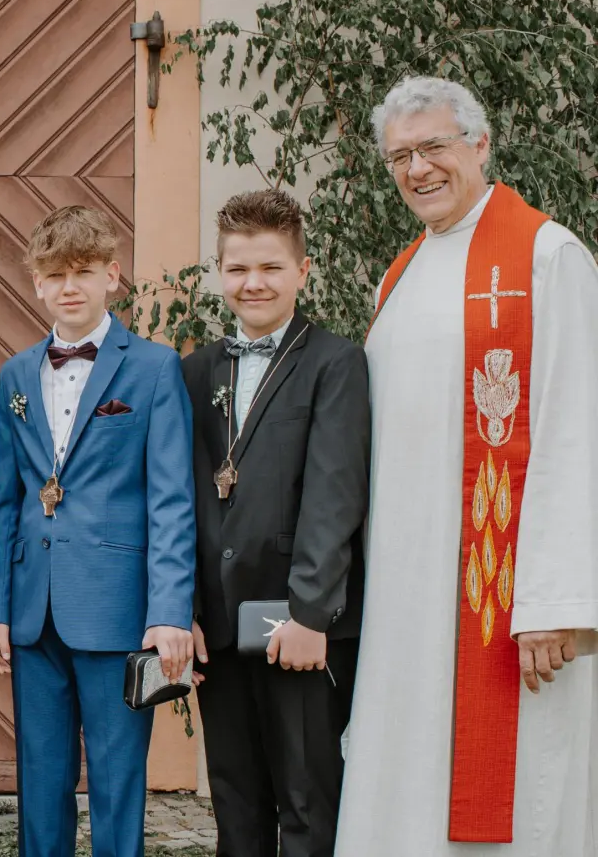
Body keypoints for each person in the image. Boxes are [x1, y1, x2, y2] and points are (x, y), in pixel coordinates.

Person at [335, 76, 598, 856]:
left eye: (434, 148)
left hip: (506, 602)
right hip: (406, 599)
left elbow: (576, 427)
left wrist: (554, 599)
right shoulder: (400, 272)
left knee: (516, 803)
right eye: (400, 157)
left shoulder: (547, 255)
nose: (417, 169)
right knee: (406, 782)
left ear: (480, 145)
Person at [0, 205, 196, 857]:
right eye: (54, 274)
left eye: (82, 272)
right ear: (37, 284)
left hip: (124, 612)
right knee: (40, 780)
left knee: (118, 778)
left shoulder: (155, 368)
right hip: (32, 609)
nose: (69, 286)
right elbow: (4, 499)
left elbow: (173, 500)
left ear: (112, 275)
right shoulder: (15, 375)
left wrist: (171, 613)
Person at [181, 190, 370, 857]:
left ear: (303, 271)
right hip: (224, 622)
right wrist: (187, 609)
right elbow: (184, 497)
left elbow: (335, 494)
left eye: (269, 267)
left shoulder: (335, 364)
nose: (252, 283)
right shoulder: (198, 370)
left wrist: (311, 613)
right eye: (237, 269)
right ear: (220, 272)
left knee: (306, 799)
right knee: (235, 800)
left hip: (295, 621)